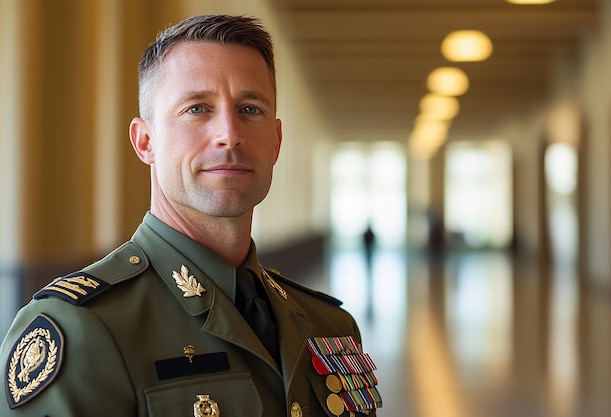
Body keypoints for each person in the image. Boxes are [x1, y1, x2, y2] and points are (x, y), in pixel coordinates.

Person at [0, 15, 381, 417]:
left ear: (276, 142)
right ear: (145, 141)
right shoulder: (83, 330)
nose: (229, 134)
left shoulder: (330, 326)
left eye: (250, 109)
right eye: (197, 108)